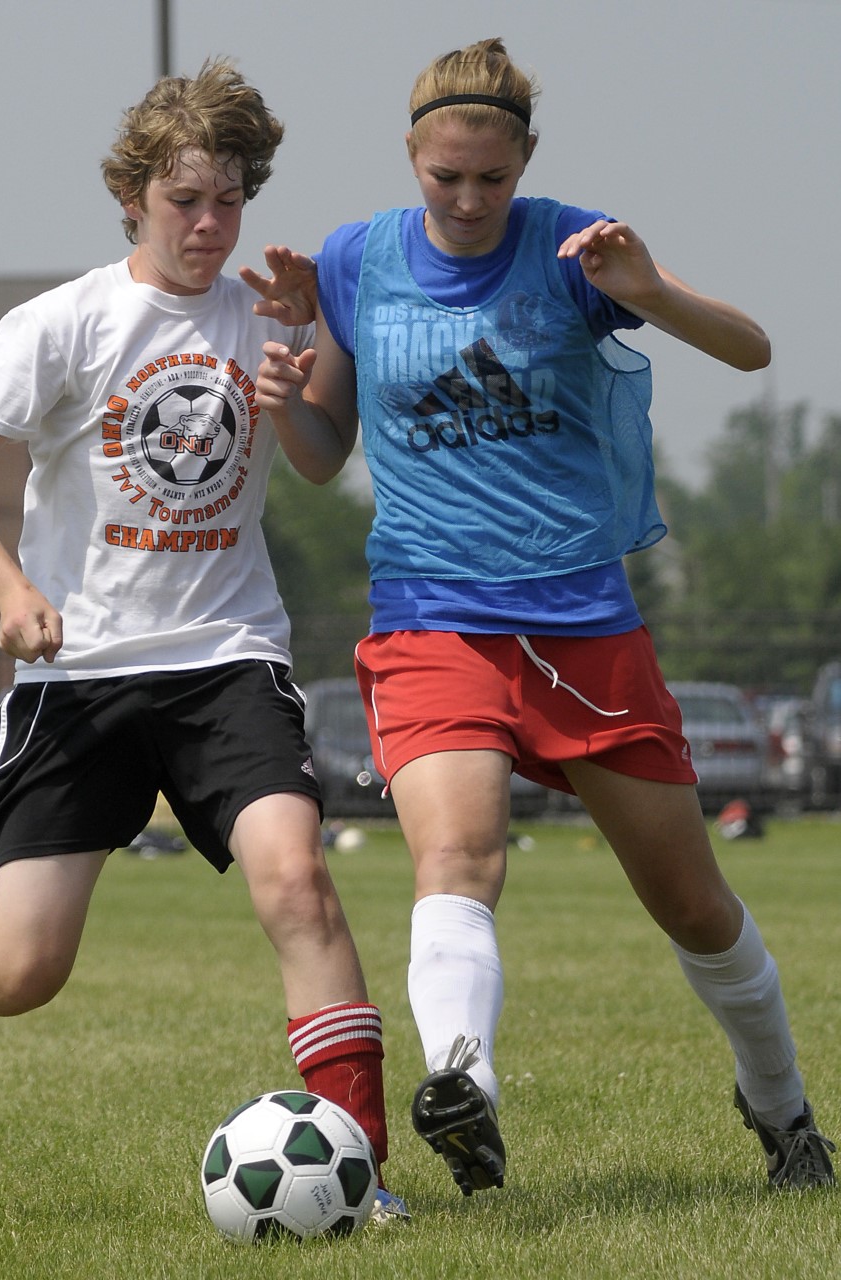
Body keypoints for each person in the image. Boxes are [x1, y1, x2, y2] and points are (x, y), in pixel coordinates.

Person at [0, 58, 408, 1223]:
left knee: (299, 879)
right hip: (78, 672)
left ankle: (363, 1169)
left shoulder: (271, 313)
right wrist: (11, 589)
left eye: (229, 197)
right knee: (24, 969)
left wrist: (299, 374)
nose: (210, 223)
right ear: (133, 195)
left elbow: (324, 465)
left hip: (228, 654)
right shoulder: (64, 321)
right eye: (186, 199)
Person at [255, 37, 835, 1194]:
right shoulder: (356, 260)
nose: (469, 201)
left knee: (692, 900)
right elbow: (325, 457)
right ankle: (465, 1081)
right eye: (446, 177)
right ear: (411, 157)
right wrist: (283, 403)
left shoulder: (579, 249)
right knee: (459, 852)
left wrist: (651, 289)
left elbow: (755, 348)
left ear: (525, 162)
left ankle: (784, 1111)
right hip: (431, 618)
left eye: (493, 179)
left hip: (582, 628)